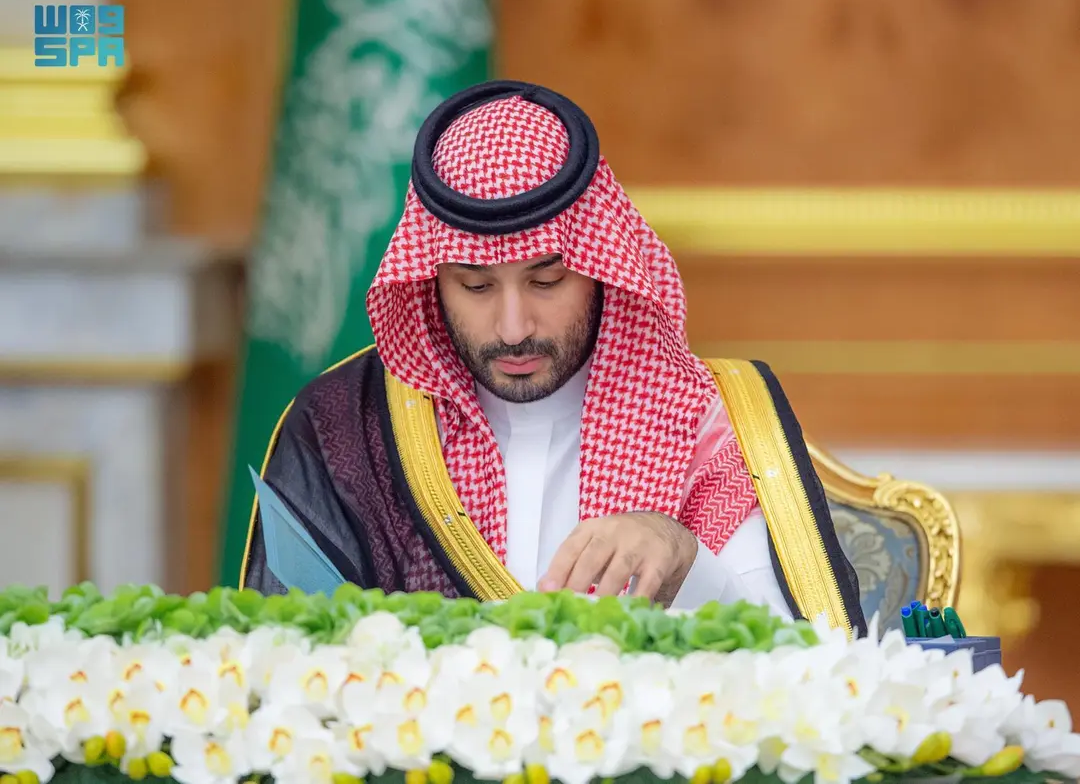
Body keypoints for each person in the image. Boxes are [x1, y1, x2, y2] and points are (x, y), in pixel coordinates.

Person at [239, 81, 866, 637]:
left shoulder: (703, 422)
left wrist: (684, 558)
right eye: (476, 286)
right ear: (431, 281)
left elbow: (806, 667)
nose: (514, 328)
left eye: (546, 281)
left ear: (599, 268)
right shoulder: (348, 428)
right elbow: (283, 665)